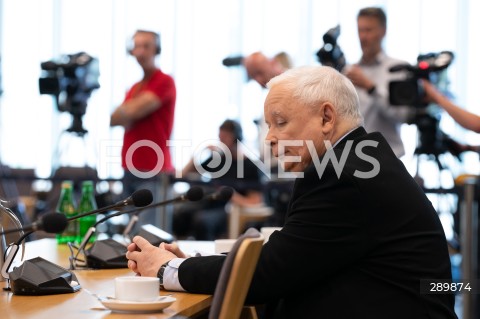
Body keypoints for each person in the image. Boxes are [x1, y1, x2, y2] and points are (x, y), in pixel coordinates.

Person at [126, 66, 456, 318]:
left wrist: (166, 269)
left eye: (280, 122)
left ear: (327, 117)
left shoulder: (344, 175)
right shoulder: (357, 159)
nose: (269, 138)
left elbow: (270, 274)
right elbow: (294, 258)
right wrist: (197, 265)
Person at [110, 29, 176, 229]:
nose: (140, 52)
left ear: (157, 49)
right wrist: (129, 111)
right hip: (130, 167)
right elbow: (114, 119)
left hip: (154, 169)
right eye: (136, 46)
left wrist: (128, 110)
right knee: (131, 233)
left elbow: (129, 113)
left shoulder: (165, 81)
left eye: (145, 46)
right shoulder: (135, 87)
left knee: (150, 235)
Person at [173, 119, 263, 240]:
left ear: (236, 138)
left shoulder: (250, 166)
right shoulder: (218, 159)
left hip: (230, 209)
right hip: (210, 204)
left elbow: (255, 201)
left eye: (224, 138)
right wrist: (201, 152)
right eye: (220, 138)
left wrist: (233, 196)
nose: (221, 142)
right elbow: (183, 174)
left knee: (202, 220)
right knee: (180, 214)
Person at [344, 7, 414, 158]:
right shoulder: (348, 72)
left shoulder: (399, 69)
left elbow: (402, 115)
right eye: (360, 30)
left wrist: (371, 88)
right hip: (354, 159)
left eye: (368, 30)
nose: (363, 37)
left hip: (389, 158)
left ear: (383, 31)